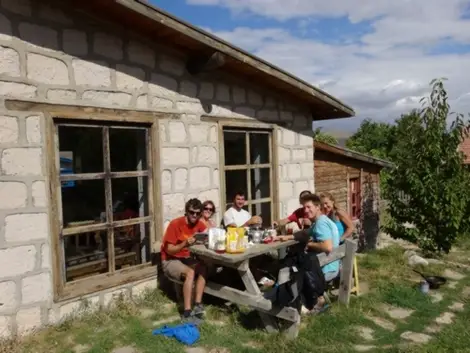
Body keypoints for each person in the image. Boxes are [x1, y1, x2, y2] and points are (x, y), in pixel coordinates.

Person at [275, 193, 339, 313]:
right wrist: (288, 237)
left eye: (309, 207)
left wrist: (308, 244)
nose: (306, 210)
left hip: (325, 269)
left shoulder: (320, 223)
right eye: (304, 207)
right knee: (295, 263)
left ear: (317, 207)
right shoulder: (322, 220)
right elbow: (306, 232)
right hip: (333, 264)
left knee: (290, 268)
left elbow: (327, 246)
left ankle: (287, 304)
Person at [161, 198, 208, 322]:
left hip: (187, 259)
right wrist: (185, 243)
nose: (195, 215)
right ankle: (186, 312)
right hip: (170, 260)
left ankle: (197, 305)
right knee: (190, 273)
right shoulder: (175, 224)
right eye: (192, 212)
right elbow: (169, 250)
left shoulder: (199, 224)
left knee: (203, 268)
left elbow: (207, 235)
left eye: (198, 213)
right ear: (186, 211)